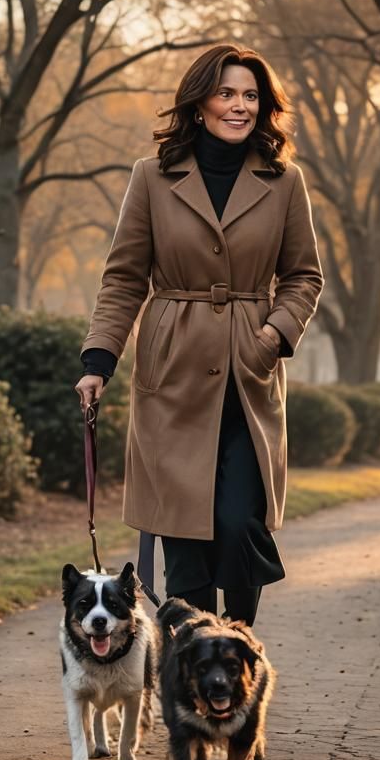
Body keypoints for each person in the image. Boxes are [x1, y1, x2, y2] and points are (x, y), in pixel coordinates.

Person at [74, 43, 323, 627]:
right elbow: (125, 275)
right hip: (172, 371)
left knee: (239, 525)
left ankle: (236, 649)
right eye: (227, 94)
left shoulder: (285, 181)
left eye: (251, 96)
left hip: (248, 374)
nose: (239, 106)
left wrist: (271, 336)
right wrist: (98, 358)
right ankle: (191, 676)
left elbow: (304, 275)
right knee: (184, 543)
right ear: (199, 103)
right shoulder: (152, 178)